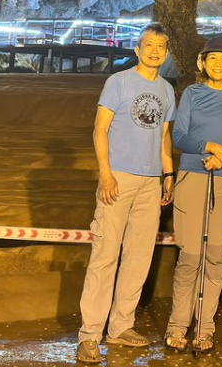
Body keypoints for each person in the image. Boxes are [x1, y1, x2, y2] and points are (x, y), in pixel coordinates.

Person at [76, 24, 177, 364]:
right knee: (105, 256)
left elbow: (164, 135)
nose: (154, 51)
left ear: (166, 53)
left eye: (160, 47)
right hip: (118, 178)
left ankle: (120, 327)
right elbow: (99, 129)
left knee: (138, 258)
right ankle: (90, 334)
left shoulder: (166, 90)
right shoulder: (117, 82)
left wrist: (168, 173)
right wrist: (105, 174)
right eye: (149, 45)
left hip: (151, 183)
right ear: (138, 49)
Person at [165, 36, 222, 353]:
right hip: (192, 175)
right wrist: (209, 148)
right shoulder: (192, 93)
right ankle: (177, 326)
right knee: (189, 258)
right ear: (203, 62)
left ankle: (204, 328)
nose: (218, 63)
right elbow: (179, 136)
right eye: (212, 57)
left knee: (215, 258)